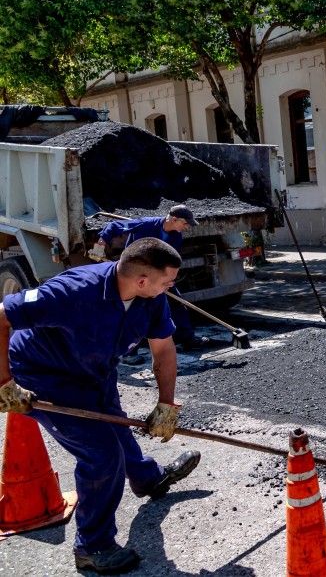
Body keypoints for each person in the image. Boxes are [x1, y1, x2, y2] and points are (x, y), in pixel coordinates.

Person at [0, 238, 201, 575]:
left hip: (94, 371)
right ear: (141, 280)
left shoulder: (150, 299)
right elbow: (1, 317)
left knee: (117, 426)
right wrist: (4, 383)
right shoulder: (72, 291)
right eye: (168, 281)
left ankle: (146, 479)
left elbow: (163, 350)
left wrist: (166, 404)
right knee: (101, 453)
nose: (171, 287)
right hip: (44, 377)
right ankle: (92, 547)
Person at [89, 205, 205, 351]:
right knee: (133, 310)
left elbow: (171, 259)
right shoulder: (146, 225)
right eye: (185, 223)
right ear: (174, 219)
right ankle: (129, 353)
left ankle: (187, 338)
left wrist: (167, 280)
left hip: (157, 276)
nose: (187, 227)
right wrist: (100, 243)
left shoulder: (176, 236)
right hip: (135, 276)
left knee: (176, 303)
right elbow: (115, 225)